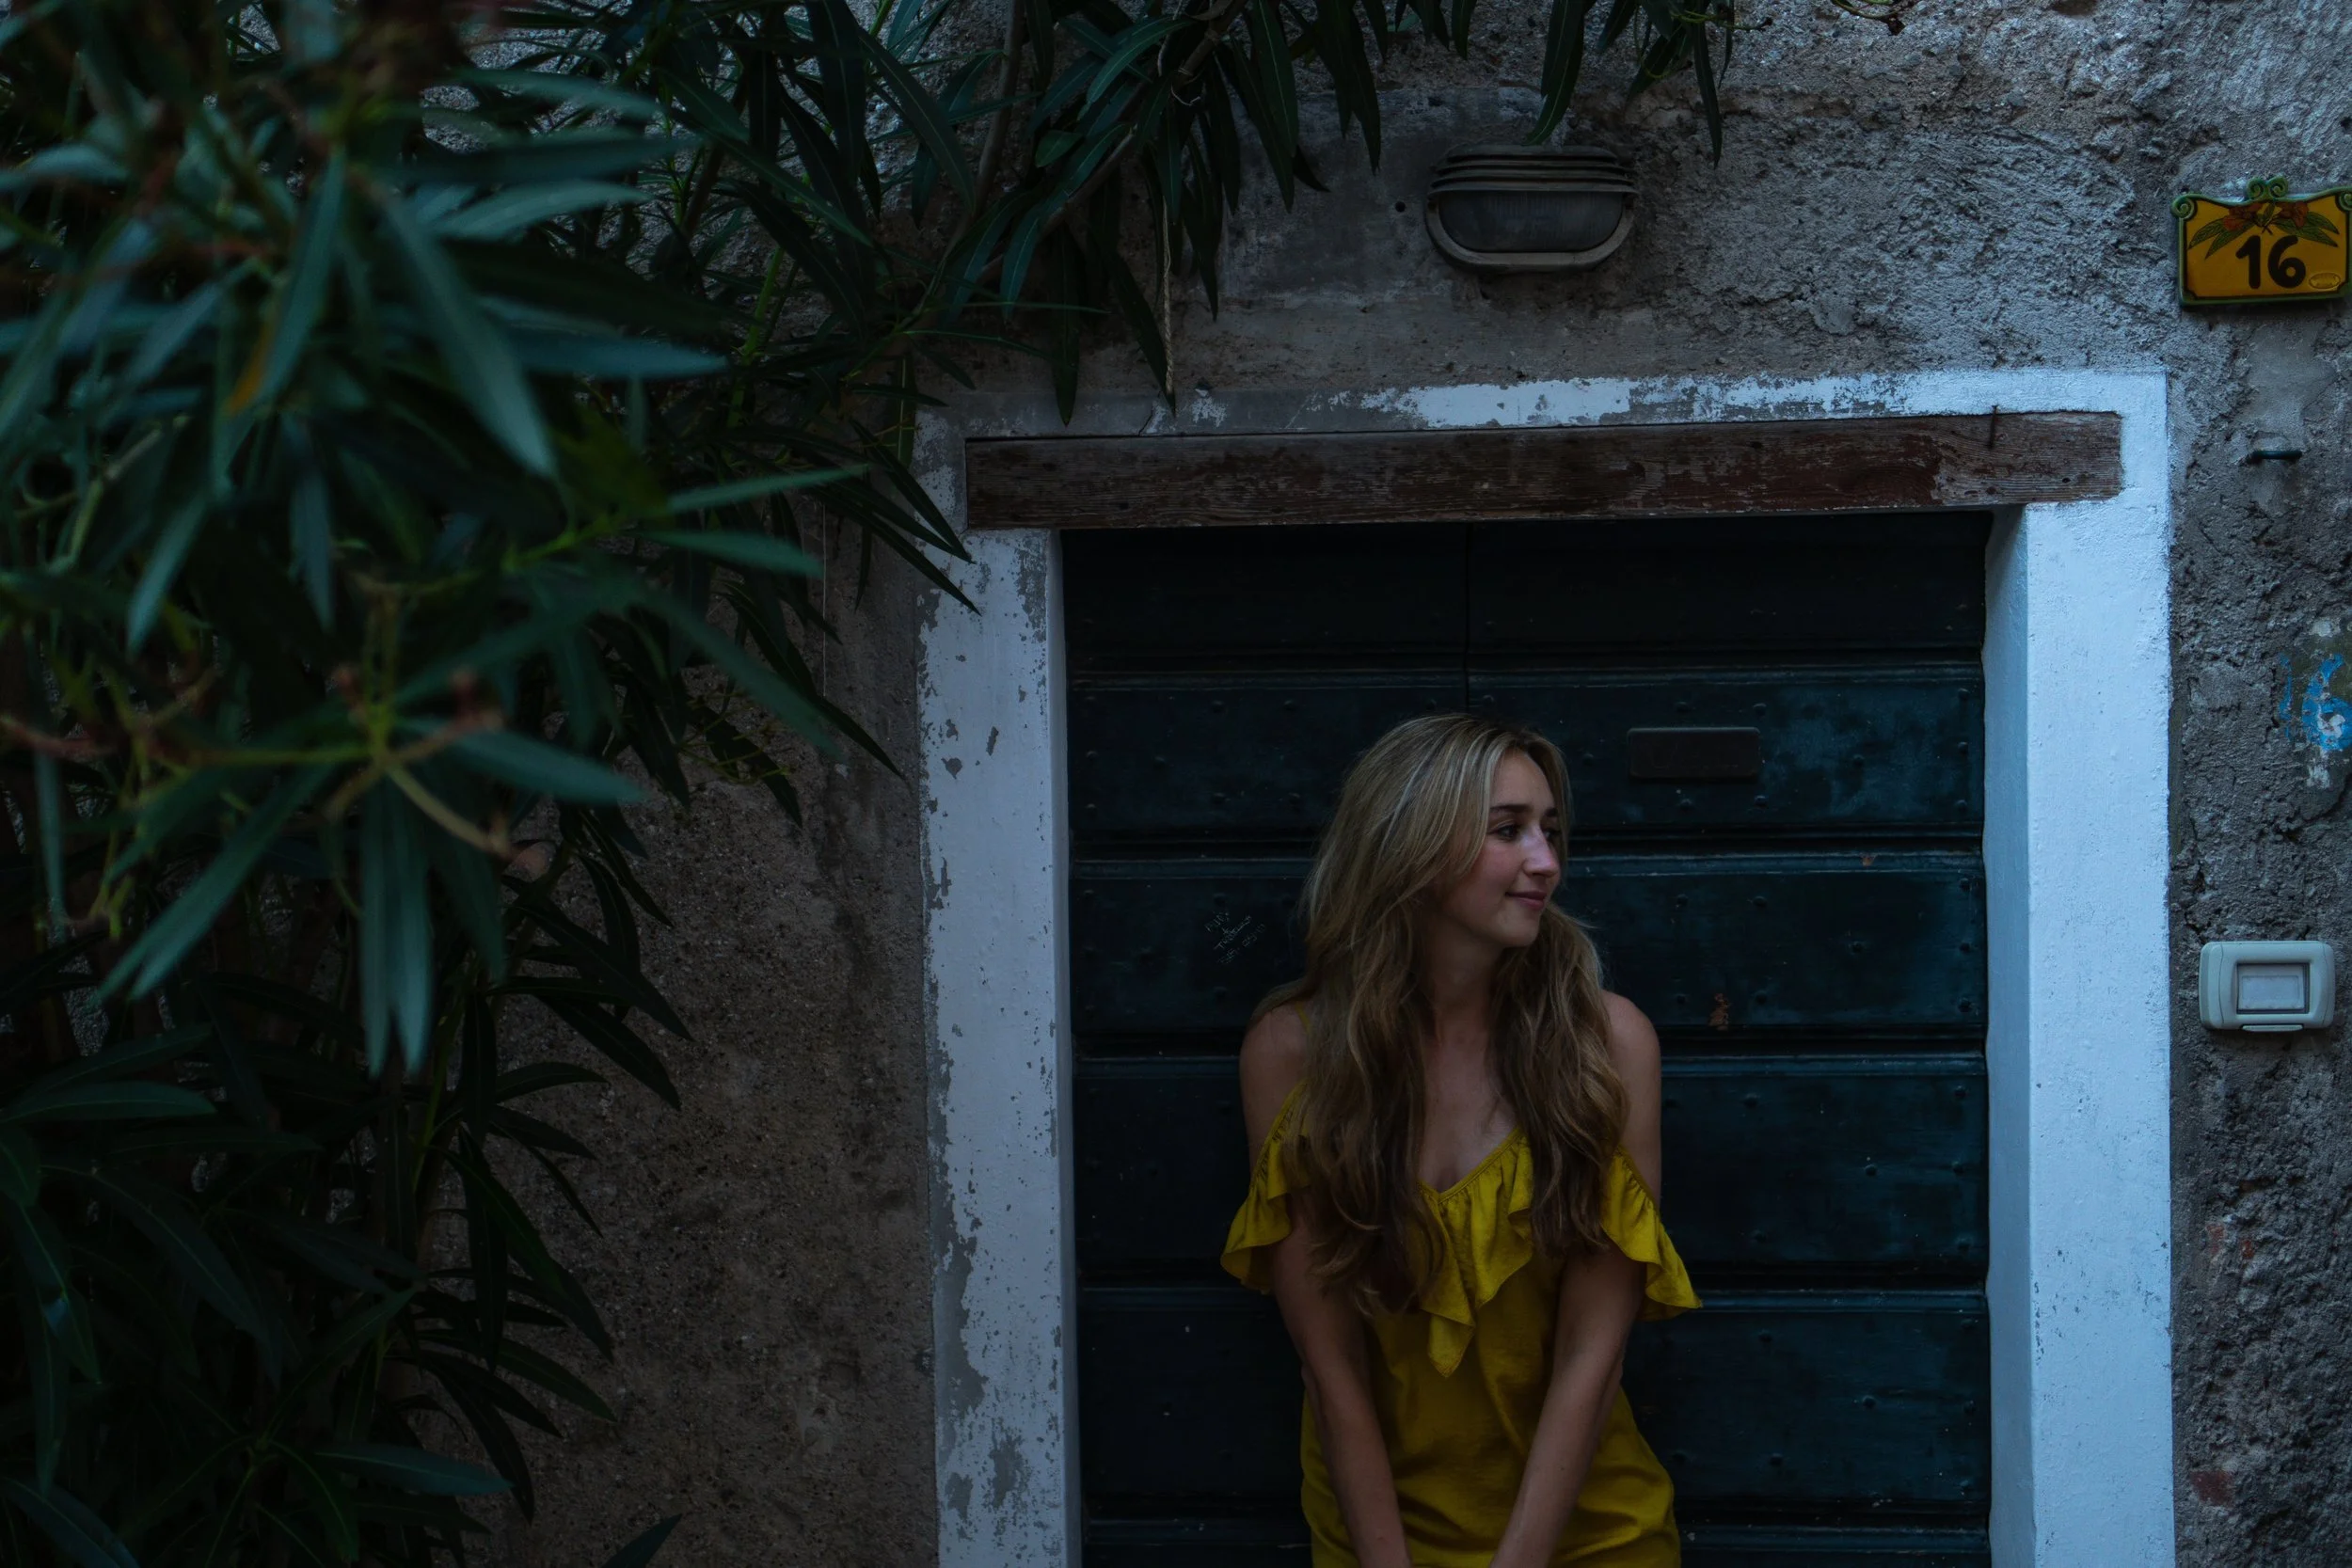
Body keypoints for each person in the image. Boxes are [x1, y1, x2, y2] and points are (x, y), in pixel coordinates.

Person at [1222, 713, 1700, 1568]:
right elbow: (1329, 1366)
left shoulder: (1608, 1047)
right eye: (1508, 830)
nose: (1547, 862)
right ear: (1410, 846)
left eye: (1550, 830)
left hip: (1590, 1541)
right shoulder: (1292, 1054)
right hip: (1376, 1539)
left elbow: (1593, 1357)